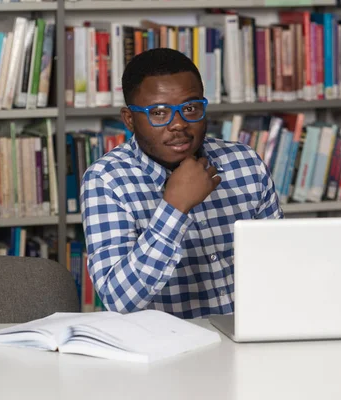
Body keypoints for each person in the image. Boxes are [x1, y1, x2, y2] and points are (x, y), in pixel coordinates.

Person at [80, 48, 284, 319]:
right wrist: (174, 207)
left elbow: (282, 263)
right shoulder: (106, 180)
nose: (178, 124)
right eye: (159, 113)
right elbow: (118, 299)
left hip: (252, 337)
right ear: (129, 119)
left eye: (190, 108)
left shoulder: (245, 162)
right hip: (168, 351)